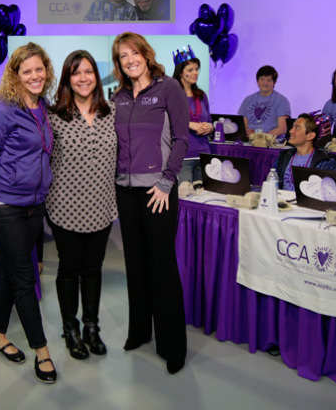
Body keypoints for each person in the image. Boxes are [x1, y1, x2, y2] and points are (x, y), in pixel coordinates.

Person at [0, 42, 58, 384]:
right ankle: (42, 351)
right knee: (25, 278)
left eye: (39, 69)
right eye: (27, 71)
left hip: (34, 207)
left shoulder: (43, 107)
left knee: (10, 272)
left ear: (46, 71)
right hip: (5, 206)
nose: (35, 76)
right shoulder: (2, 110)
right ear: (15, 75)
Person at [111, 31, 189, 374]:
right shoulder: (119, 96)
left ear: (145, 53)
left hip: (158, 191)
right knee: (136, 264)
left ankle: (173, 346)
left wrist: (166, 182)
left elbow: (182, 139)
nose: (129, 60)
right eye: (122, 56)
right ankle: (139, 331)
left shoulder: (168, 87)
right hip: (125, 191)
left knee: (162, 266)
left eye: (133, 53)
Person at [46, 50, 117, 360]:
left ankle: (91, 327)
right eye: (76, 73)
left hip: (102, 205)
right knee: (69, 269)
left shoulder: (112, 111)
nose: (83, 78)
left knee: (93, 269)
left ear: (96, 77)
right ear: (67, 79)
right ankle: (70, 328)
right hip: (64, 206)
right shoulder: (54, 116)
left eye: (88, 71)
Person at [172, 48, 212, 185]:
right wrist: (189, 124)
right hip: (184, 157)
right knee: (185, 199)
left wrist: (209, 127)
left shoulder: (201, 95)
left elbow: (210, 121)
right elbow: (166, 124)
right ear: (180, 72)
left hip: (204, 154)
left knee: (203, 199)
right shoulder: (172, 95)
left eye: (196, 69)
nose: (195, 73)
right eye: (190, 70)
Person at [272, 113, 336, 191]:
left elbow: (327, 193)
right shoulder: (283, 156)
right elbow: (272, 184)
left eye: (297, 128)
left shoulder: (325, 161)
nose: (290, 131)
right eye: (292, 127)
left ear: (310, 136)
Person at [238, 65, 291, 137]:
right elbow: (243, 126)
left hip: (272, 144)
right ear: (257, 81)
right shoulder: (248, 100)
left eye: (269, 80)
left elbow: (283, 128)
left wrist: (260, 137)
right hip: (249, 142)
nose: (265, 83)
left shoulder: (281, 101)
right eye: (262, 79)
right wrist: (248, 133)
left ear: (274, 82)